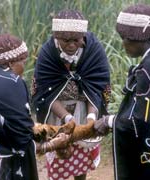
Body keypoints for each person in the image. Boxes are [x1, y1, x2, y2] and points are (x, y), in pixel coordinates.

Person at [0, 33, 70, 180]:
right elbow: (21, 140)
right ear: (10, 63)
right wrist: (54, 144)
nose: (24, 67)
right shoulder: (12, 82)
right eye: (23, 61)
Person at [32, 9, 111, 180]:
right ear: (56, 38)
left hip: (86, 109)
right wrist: (67, 118)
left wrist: (91, 117)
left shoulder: (94, 50)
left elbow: (97, 87)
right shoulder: (48, 53)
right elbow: (45, 93)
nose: (71, 45)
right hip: (57, 114)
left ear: (83, 36)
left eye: (76, 40)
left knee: (82, 155)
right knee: (59, 153)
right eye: (65, 40)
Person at [94, 3, 150, 180]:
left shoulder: (149, 69)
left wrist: (110, 121)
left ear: (138, 38)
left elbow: (144, 120)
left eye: (124, 38)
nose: (123, 44)